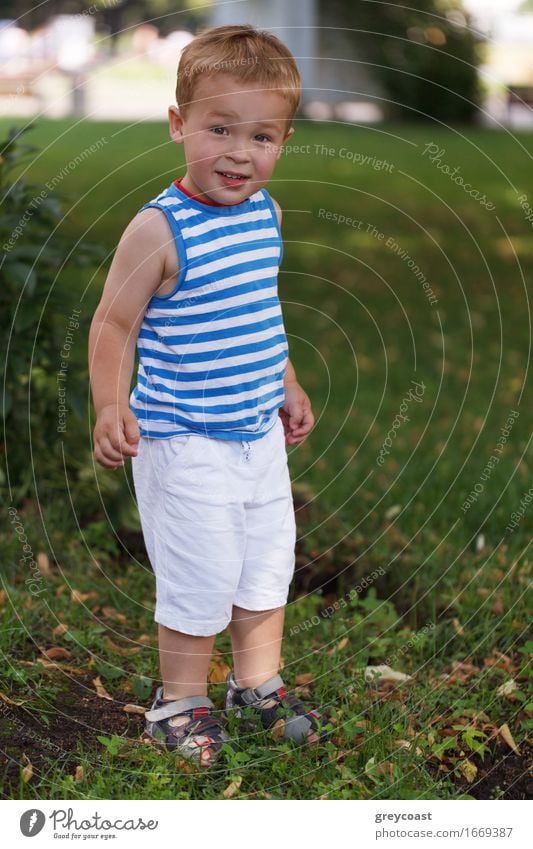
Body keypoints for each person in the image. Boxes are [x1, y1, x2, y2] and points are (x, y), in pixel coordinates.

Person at [89, 24, 328, 768]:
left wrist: (285, 383)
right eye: (219, 128)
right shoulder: (158, 229)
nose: (238, 152)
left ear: (283, 141)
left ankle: (255, 685)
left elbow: (262, 312)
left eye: (260, 136)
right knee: (200, 571)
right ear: (178, 124)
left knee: (265, 563)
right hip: (183, 439)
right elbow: (114, 321)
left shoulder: (267, 215)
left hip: (256, 436)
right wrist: (109, 403)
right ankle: (179, 703)